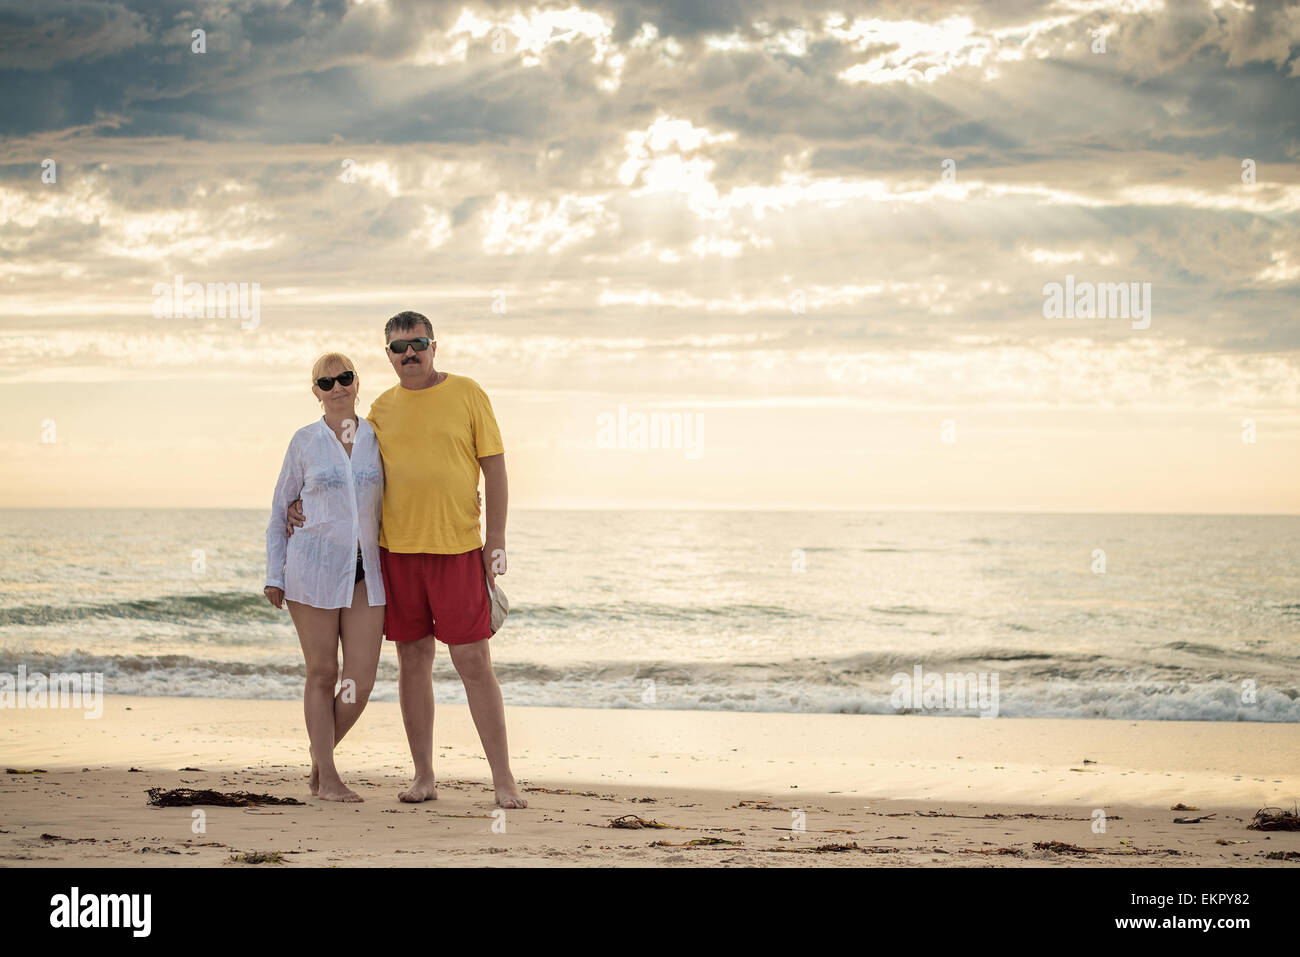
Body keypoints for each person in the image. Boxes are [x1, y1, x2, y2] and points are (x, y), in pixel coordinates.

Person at [288, 312, 525, 809]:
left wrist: (495, 540)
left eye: (417, 343)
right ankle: (423, 778)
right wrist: (301, 503)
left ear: (434, 346)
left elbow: (496, 470)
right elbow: (349, 470)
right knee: (414, 662)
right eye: (399, 348)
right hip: (395, 554)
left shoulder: (467, 393)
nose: (409, 354)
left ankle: (503, 781)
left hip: (458, 549)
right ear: (389, 357)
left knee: (473, 662)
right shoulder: (380, 410)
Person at [265, 352, 386, 803]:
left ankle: (319, 762)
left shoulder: (379, 436)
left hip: (366, 573)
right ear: (315, 392)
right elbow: (282, 510)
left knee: (361, 680)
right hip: (311, 569)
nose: (337, 387)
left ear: (357, 383)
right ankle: (329, 778)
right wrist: (272, 574)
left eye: (345, 378)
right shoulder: (304, 441)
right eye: (326, 382)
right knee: (322, 673)